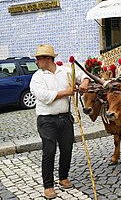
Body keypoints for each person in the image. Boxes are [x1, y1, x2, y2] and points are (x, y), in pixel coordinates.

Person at [30, 44, 90, 199]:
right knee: (49, 151)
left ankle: (63, 177)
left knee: (67, 149)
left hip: (65, 117)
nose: (36, 61)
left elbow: (82, 75)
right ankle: (48, 186)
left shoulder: (65, 71)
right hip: (46, 119)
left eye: (38, 58)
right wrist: (67, 92)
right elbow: (44, 96)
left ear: (48, 59)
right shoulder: (37, 77)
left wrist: (84, 82)